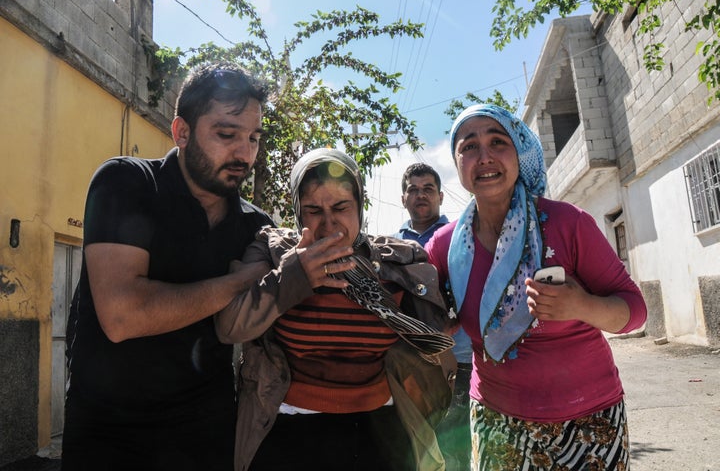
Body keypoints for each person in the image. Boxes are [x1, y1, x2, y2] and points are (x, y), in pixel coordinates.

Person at [61, 62, 274, 471]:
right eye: (227, 134)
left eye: (253, 138)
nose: (244, 153)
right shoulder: (125, 183)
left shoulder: (256, 227)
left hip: (207, 437)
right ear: (181, 132)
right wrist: (240, 280)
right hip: (109, 437)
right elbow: (122, 315)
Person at [425, 104, 648, 471]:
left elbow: (635, 310)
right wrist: (438, 321)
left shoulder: (567, 223)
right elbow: (415, 312)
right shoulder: (444, 246)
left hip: (589, 420)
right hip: (498, 422)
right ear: (457, 162)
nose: (484, 157)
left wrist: (581, 306)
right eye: (469, 147)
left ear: (518, 151)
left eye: (498, 142)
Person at [214, 148, 458, 471]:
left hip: (382, 435)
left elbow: (436, 336)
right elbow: (230, 325)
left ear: (360, 205)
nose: (329, 224)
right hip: (291, 434)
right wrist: (295, 275)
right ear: (298, 212)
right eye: (313, 210)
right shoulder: (272, 251)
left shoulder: (399, 260)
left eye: (341, 207)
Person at [395, 162, 471, 471]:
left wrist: (458, 322)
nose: (420, 195)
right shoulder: (392, 244)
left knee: (454, 450)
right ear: (403, 198)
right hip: (410, 361)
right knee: (416, 447)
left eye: (428, 189)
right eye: (413, 189)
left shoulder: (460, 238)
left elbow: (475, 288)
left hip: (459, 360)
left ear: (440, 196)